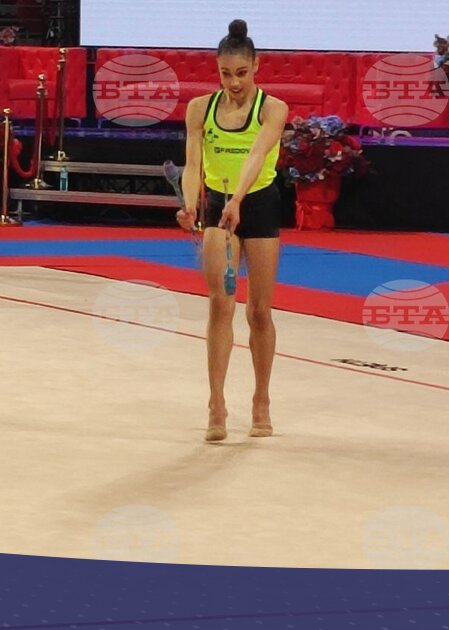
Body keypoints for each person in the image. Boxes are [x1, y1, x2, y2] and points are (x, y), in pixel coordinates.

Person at [177, 19, 288, 442]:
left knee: (259, 311)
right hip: (219, 208)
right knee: (219, 307)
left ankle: (261, 400)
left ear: (256, 66)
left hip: (257, 203)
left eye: (241, 73)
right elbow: (193, 163)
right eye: (225, 73)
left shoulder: (273, 109)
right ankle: (217, 404)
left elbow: (257, 155)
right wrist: (191, 203)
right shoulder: (199, 109)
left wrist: (238, 199)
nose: (234, 82)